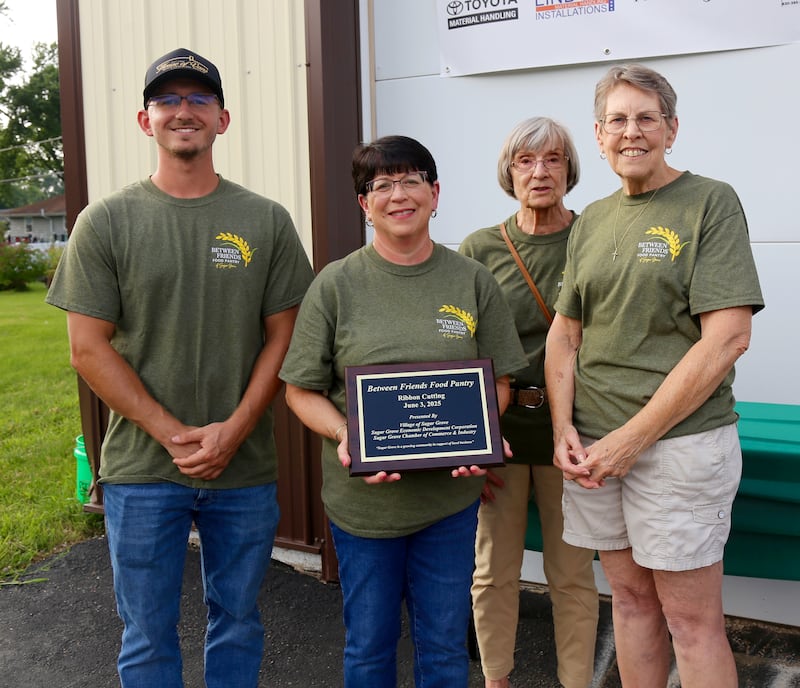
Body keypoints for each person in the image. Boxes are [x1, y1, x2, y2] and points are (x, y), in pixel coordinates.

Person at [46, 48, 315, 688]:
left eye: (199, 99)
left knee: (239, 618)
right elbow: (88, 346)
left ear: (224, 118)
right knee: (145, 632)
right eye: (168, 100)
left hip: (243, 466)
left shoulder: (265, 220)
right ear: (146, 121)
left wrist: (236, 427)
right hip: (143, 469)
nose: (183, 111)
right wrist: (172, 433)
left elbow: (287, 336)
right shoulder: (107, 221)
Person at [278, 135, 528, 688]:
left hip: (449, 503)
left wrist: (480, 433)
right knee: (369, 648)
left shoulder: (471, 279)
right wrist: (347, 433)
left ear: (435, 194)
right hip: (365, 512)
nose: (398, 195)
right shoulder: (336, 285)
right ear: (363, 204)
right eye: (381, 185)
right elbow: (300, 390)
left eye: (411, 180)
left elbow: (502, 381)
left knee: (442, 647)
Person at [545, 63, 764, 687]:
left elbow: (728, 338)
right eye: (617, 119)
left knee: (691, 623)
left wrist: (633, 438)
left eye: (646, 117)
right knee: (632, 603)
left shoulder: (709, 202)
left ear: (672, 128)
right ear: (598, 133)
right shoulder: (590, 219)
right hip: (593, 450)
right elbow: (565, 334)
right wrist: (564, 426)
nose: (631, 132)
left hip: (677, 448)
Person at [460, 117, 598, 688]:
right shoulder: (480, 249)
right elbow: (463, 349)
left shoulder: (596, 235)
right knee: (495, 571)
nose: (539, 172)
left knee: (573, 574)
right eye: (525, 160)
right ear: (508, 171)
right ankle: (496, 679)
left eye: (554, 160)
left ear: (570, 169)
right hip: (505, 431)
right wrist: (475, 440)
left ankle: (574, 682)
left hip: (577, 430)